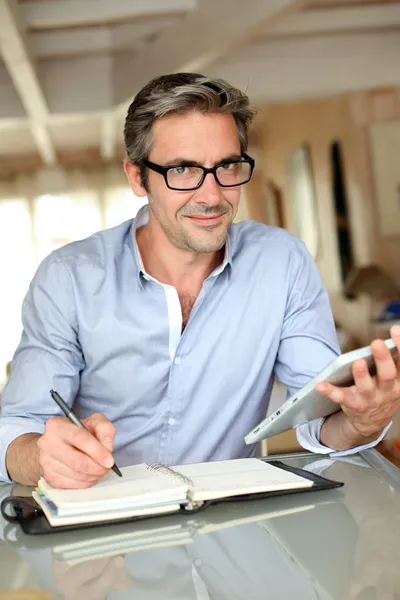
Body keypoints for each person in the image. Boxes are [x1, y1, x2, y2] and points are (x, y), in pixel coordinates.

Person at [1, 73, 399, 489]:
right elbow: (13, 434)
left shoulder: (282, 263)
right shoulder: (68, 278)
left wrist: (363, 419)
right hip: (104, 533)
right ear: (137, 177)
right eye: (184, 169)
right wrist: (44, 458)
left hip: (233, 531)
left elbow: (319, 422)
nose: (212, 195)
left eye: (227, 166)